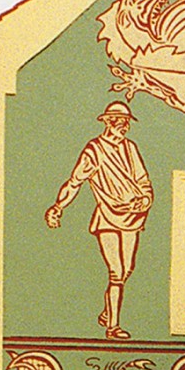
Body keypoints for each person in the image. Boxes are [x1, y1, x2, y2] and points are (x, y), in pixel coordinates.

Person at [46, 102, 154, 340]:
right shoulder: (94, 150)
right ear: (109, 122)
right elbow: (75, 182)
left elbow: (143, 181)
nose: (124, 127)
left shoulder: (130, 148)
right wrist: (58, 206)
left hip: (133, 217)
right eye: (120, 122)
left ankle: (108, 311)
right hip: (107, 216)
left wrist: (145, 200)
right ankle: (113, 327)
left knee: (127, 270)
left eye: (126, 123)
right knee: (116, 272)